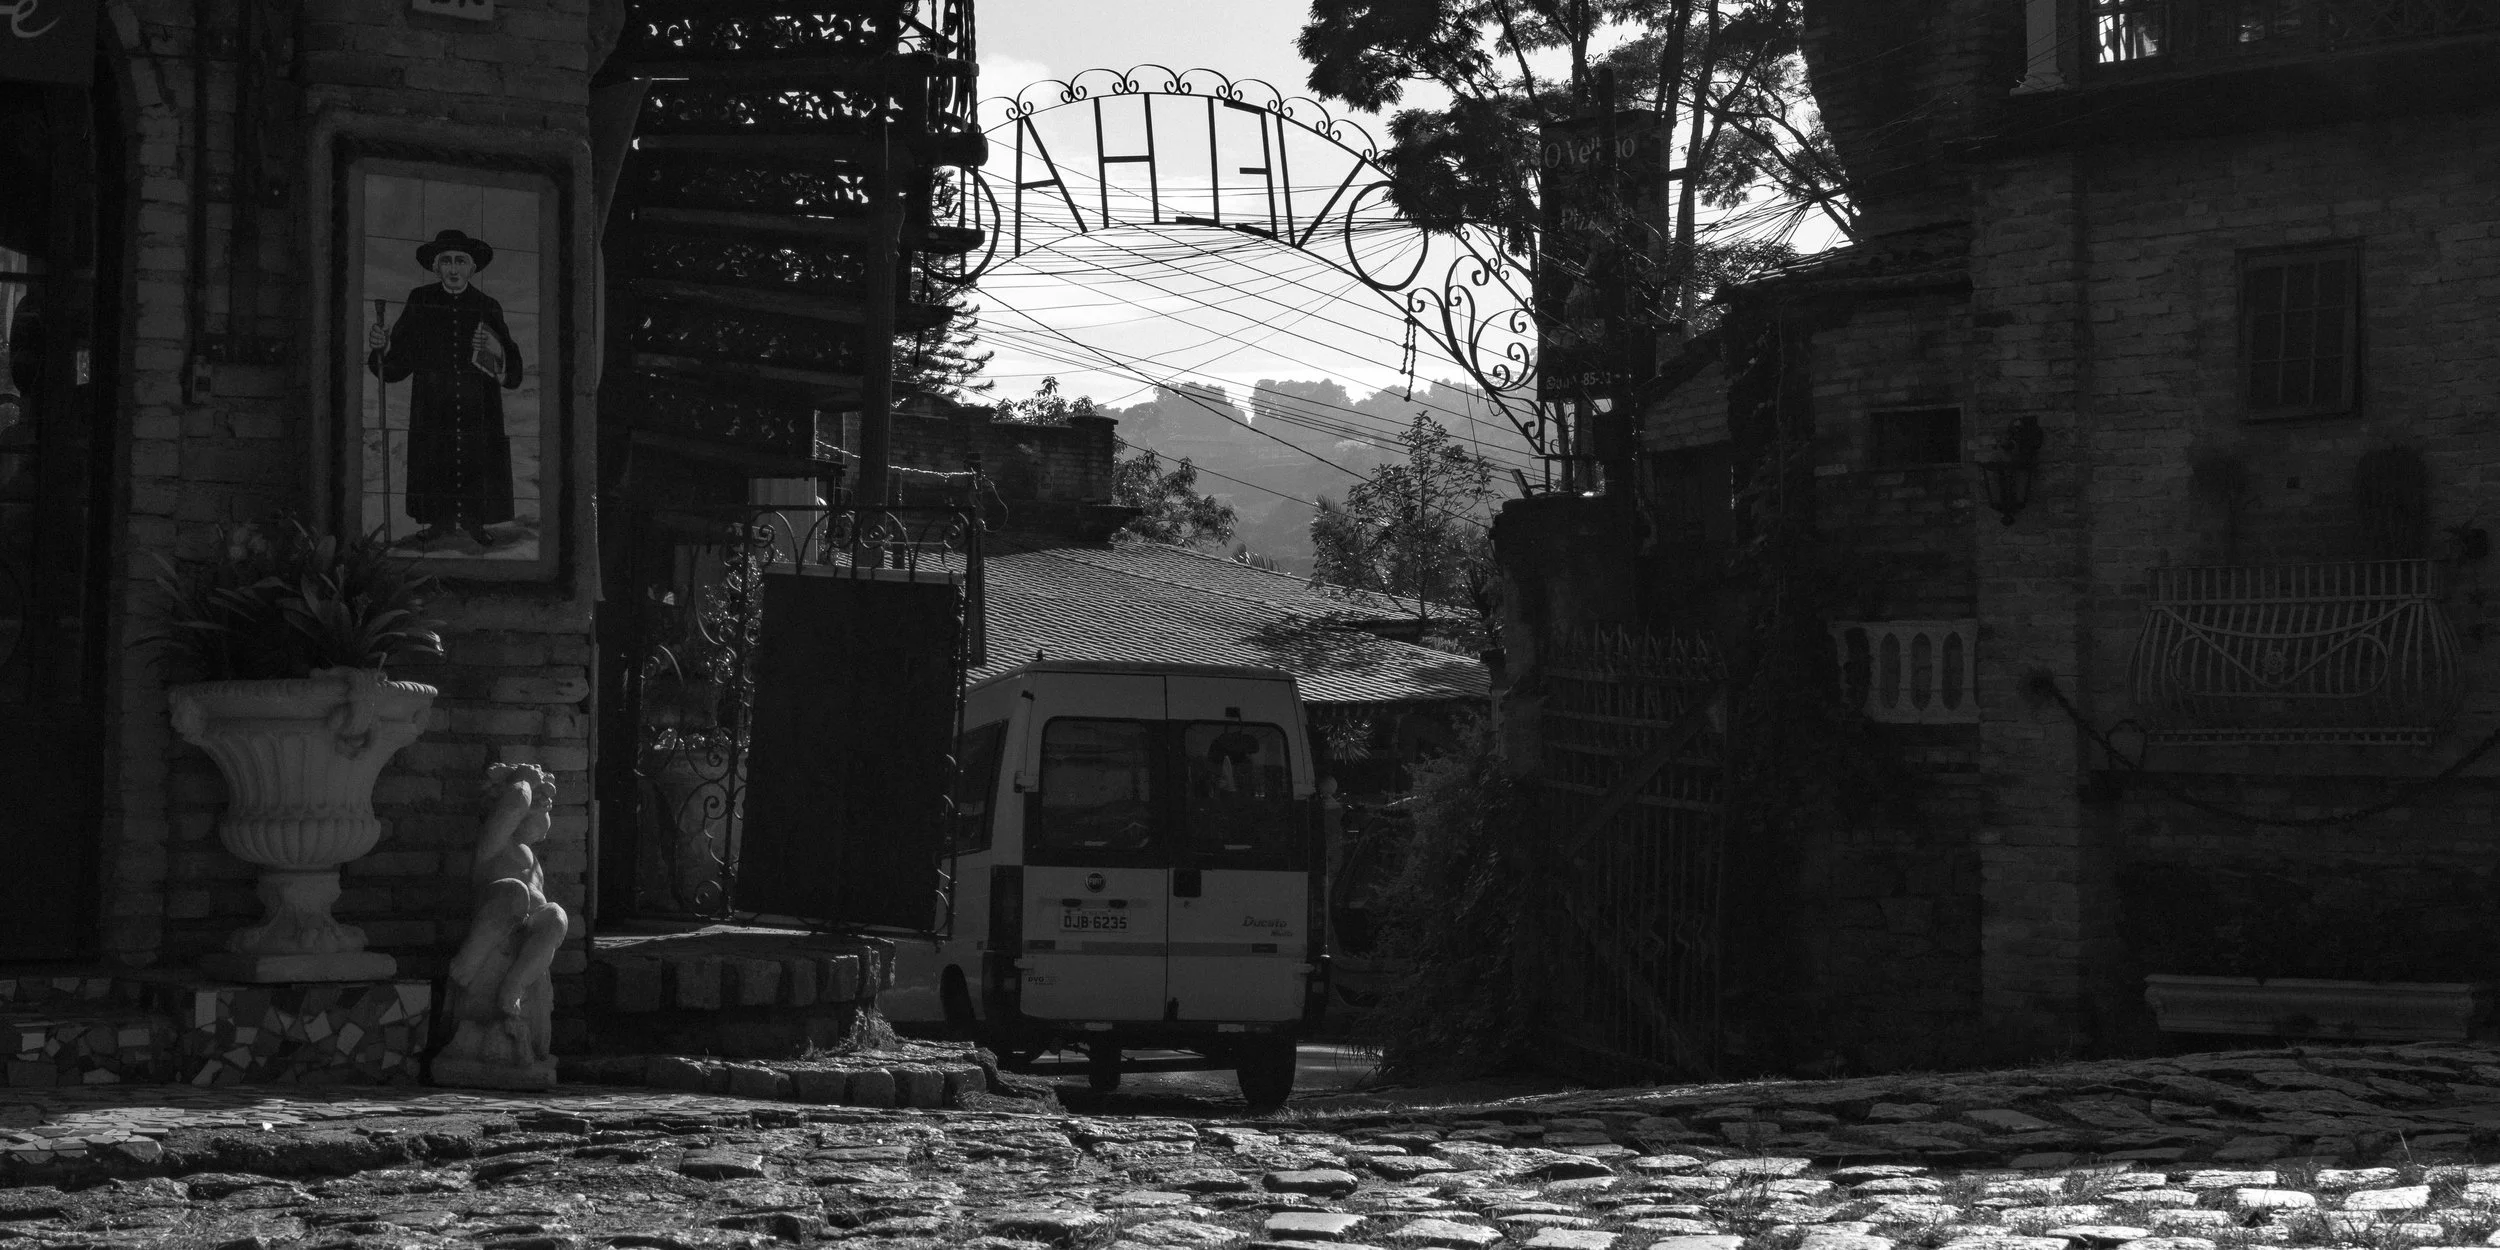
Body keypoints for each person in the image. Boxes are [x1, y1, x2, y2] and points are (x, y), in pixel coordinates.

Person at [367, 228, 523, 551]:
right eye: (447, 261)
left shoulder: (488, 305)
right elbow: (398, 364)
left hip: (478, 408)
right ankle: (438, 522)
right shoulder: (420, 300)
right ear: (436, 268)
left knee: (475, 461)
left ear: (472, 268)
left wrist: (498, 358)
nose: (453, 269)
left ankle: (474, 522)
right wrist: (381, 350)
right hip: (432, 406)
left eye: (460, 261)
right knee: (434, 459)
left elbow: (513, 367)